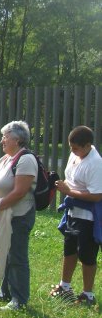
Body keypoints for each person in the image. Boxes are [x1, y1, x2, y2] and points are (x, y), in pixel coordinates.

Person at [0, 121, 37, 311]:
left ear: (18, 139)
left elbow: (19, 192)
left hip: (18, 215)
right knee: (3, 251)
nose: (2, 140)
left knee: (16, 256)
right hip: (3, 214)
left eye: (5, 136)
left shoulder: (26, 160)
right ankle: (4, 293)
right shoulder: (5, 159)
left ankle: (19, 299)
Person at [50, 125, 102, 306]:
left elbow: (97, 195)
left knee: (86, 254)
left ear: (88, 146)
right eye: (71, 147)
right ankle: (65, 287)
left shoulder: (96, 163)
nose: (72, 151)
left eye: (76, 148)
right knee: (69, 248)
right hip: (73, 211)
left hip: (89, 216)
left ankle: (88, 294)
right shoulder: (76, 154)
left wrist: (69, 192)